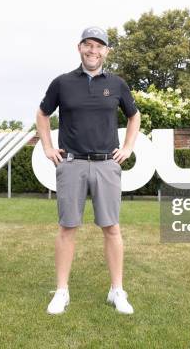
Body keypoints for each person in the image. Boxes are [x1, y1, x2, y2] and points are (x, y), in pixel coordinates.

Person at [35, 26, 141, 315]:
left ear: (106, 51)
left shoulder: (117, 84)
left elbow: (134, 116)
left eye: (99, 46)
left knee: (112, 228)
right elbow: (43, 113)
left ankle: (117, 291)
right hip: (71, 163)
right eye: (88, 45)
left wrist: (128, 147)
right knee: (67, 227)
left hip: (107, 163)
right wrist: (47, 147)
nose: (93, 51)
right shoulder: (62, 83)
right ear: (79, 47)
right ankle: (61, 292)